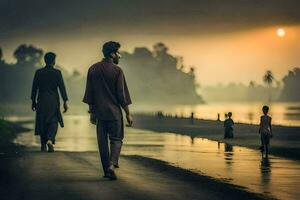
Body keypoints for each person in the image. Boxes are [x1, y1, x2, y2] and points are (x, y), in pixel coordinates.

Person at [83, 41, 133, 180]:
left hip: (99, 113)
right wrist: (128, 113)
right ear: (112, 54)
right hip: (114, 113)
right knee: (116, 139)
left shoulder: (93, 68)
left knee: (102, 143)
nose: (119, 56)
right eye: (118, 53)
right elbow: (121, 95)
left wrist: (91, 112)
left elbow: (90, 93)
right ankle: (112, 165)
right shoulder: (117, 71)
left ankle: (106, 171)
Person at [31, 52, 68, 152]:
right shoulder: (57, 73)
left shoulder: (39, 72)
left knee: (42, 121)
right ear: (54, 61)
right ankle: (50, 140)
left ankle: (43, 144)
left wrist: (33, 101)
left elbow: (34, 88)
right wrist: (65, 101)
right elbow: (62, 88)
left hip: (42, 99)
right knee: (53, 120)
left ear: (45, 60)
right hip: (53, 100)